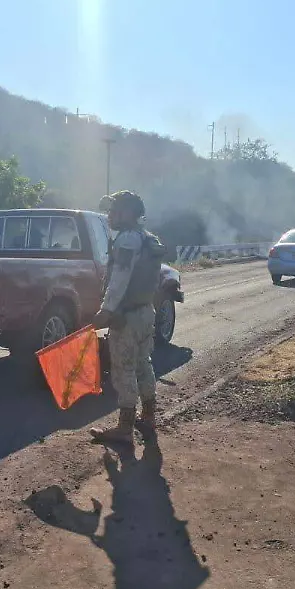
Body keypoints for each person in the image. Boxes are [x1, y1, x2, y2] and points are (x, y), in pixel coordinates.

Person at [89, 190, 167, 445]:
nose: (110, 215)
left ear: (130, 214)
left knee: (123, 369)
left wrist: (107, 310)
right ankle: (149, 416)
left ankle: (124, 429)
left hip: (127, 318)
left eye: (115, 210)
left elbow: (120, 279)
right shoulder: (147, 239)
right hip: (145, 313)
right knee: (143, 363)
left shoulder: (127, 241)